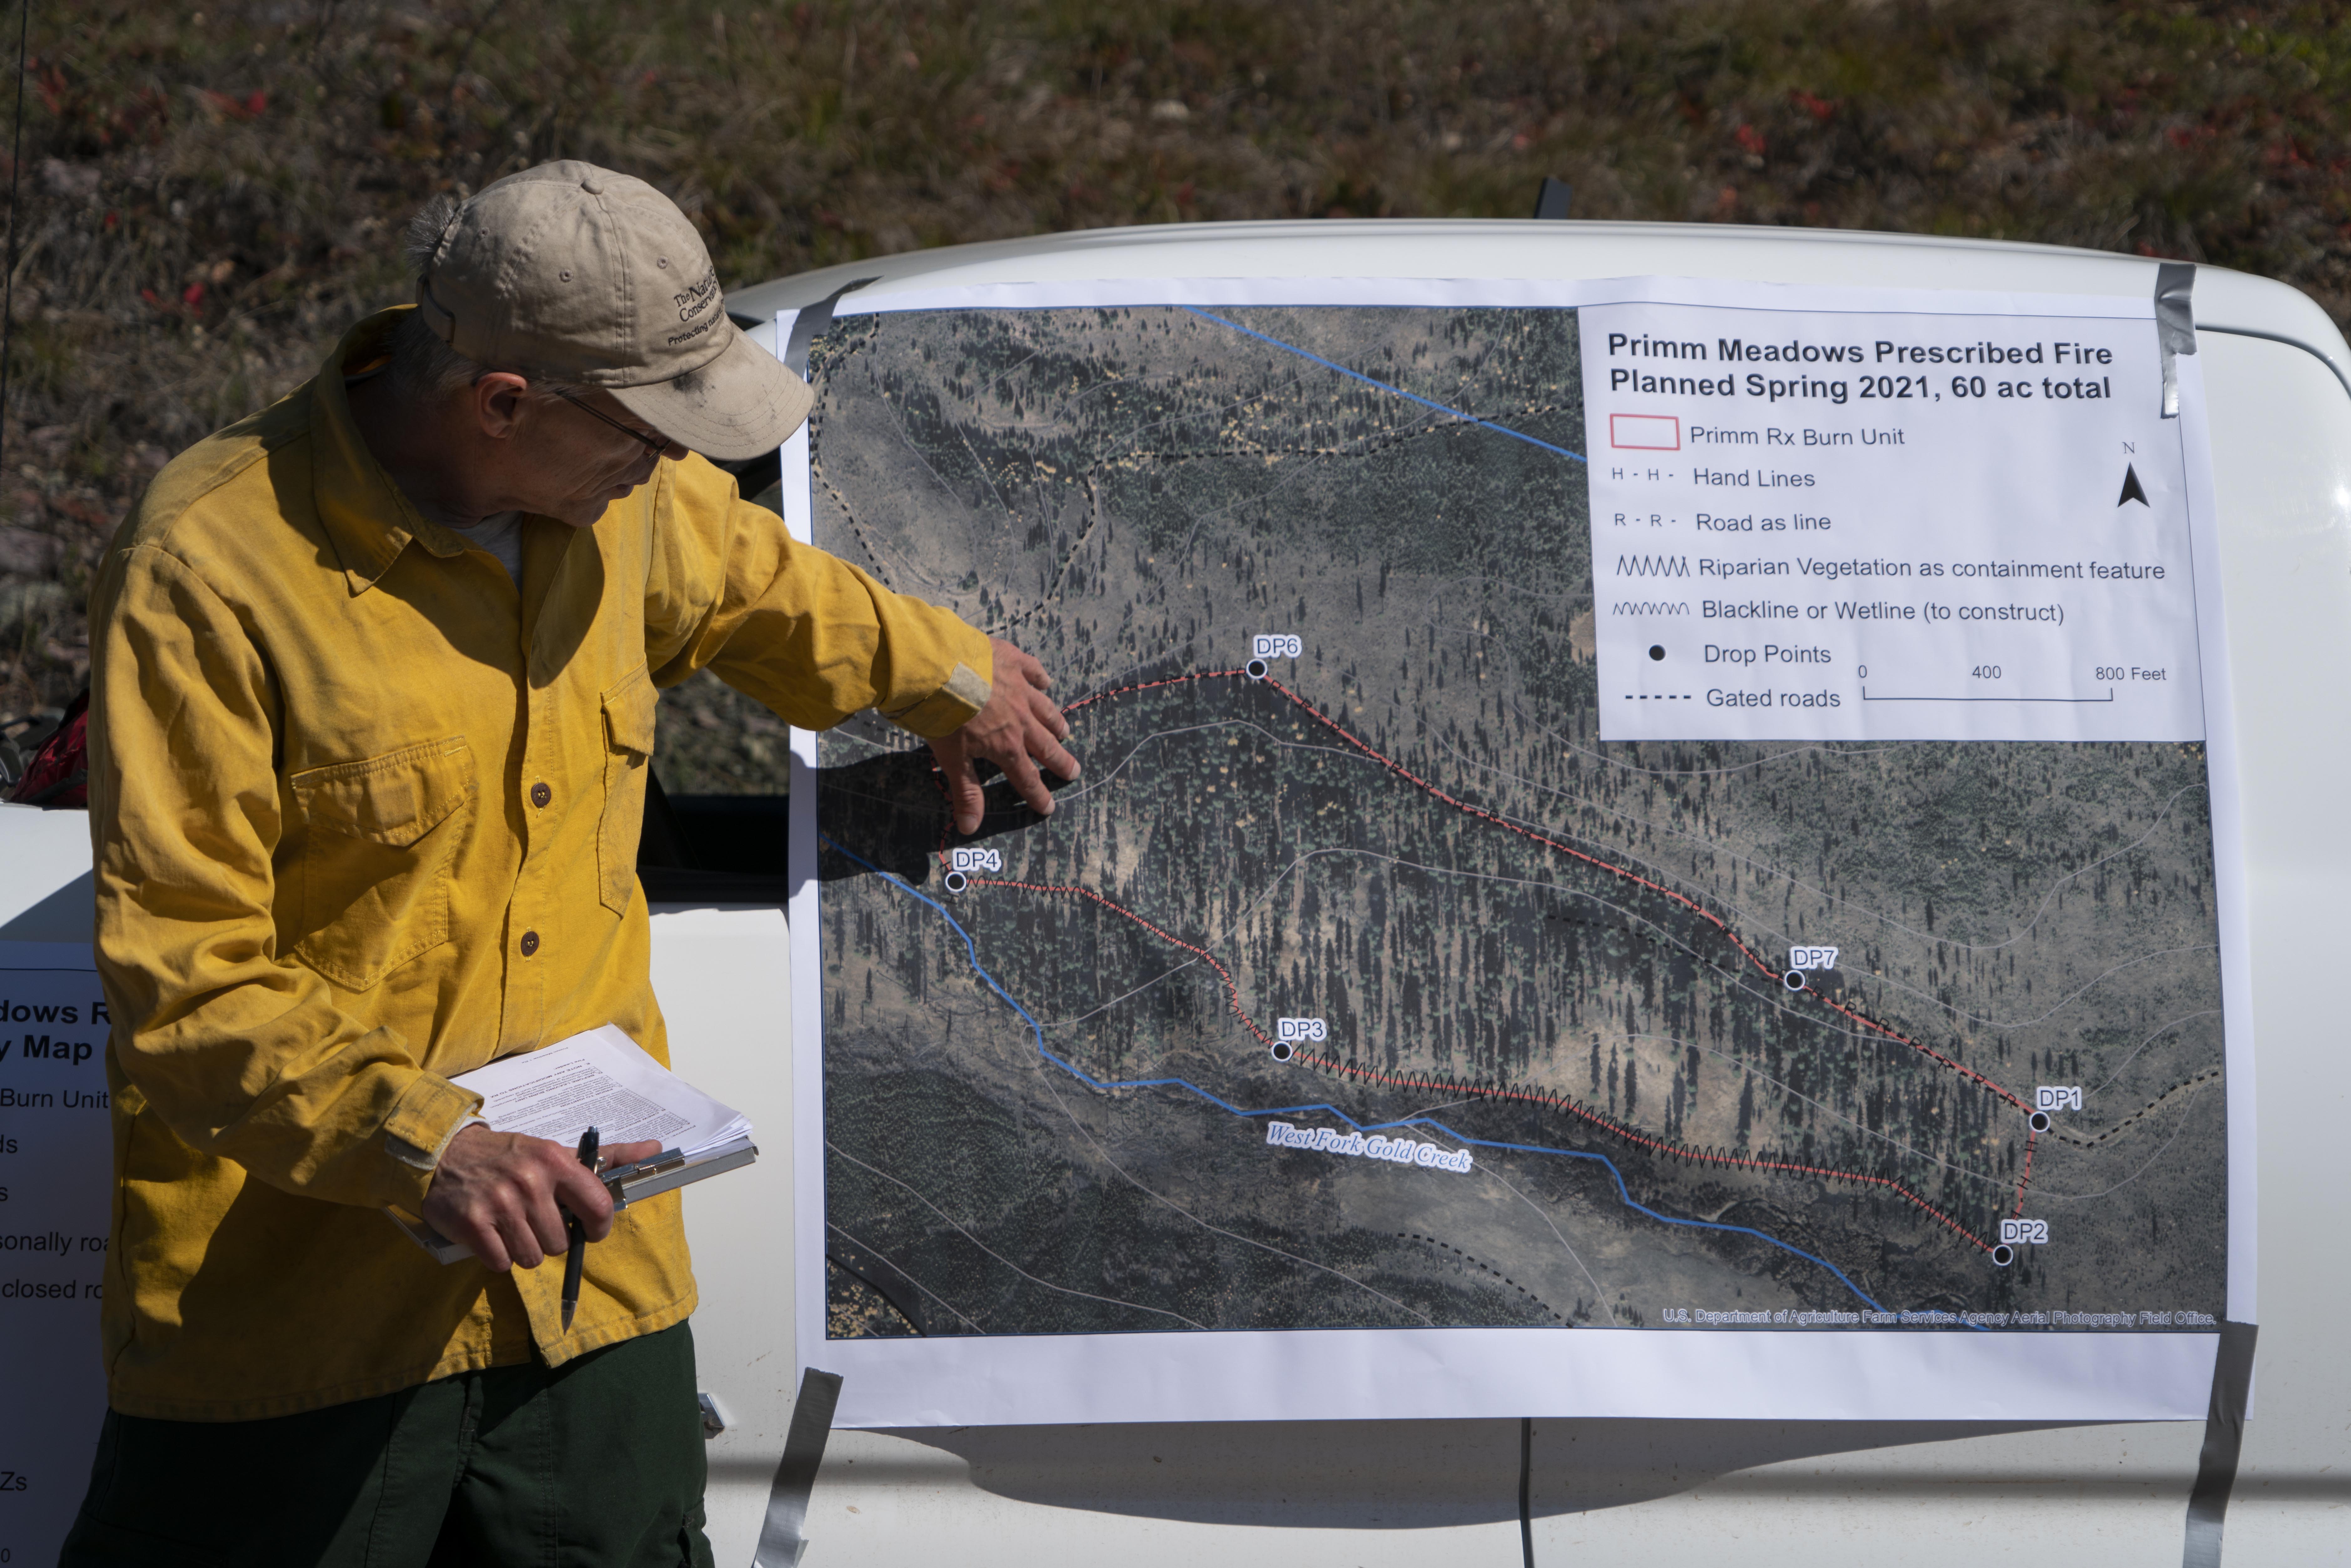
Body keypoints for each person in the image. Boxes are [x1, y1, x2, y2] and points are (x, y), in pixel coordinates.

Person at [62, 160, 1077, 1565]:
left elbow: (758, 585)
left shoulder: (625, 504)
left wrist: (946, 673)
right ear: (502, 404)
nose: (674, 467)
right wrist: (425, 1145)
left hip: (590, 1285)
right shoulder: (211, 568)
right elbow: (183, 976)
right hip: (296, 1320)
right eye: (650, 433)